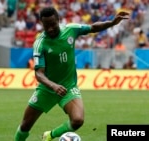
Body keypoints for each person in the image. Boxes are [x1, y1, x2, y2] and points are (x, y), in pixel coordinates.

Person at [14, 7, 130, 141]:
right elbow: (39, 74)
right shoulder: (40, 44)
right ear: (42, 24)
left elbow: (92, 28)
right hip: (47, 89)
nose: (50, 28)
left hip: (68, 87)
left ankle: (50, 135)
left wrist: (111, 23)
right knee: (25, 125)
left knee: (77, 120)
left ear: (58, 20)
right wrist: (54, 86)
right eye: (47, 26)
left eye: (53, 24)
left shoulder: (71, 30)